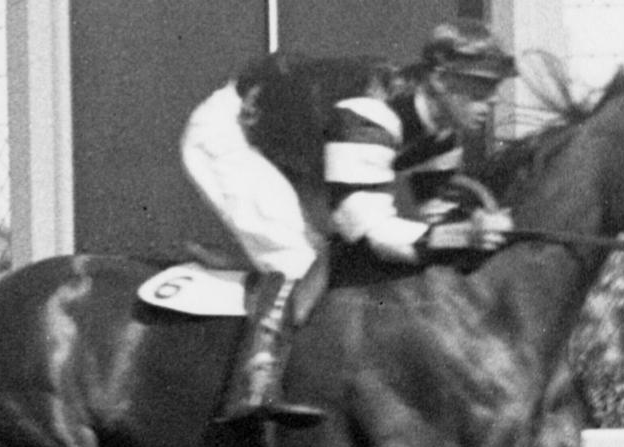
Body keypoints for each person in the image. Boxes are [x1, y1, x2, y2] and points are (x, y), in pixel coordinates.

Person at [181, 19, 517, 425]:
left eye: (493, 89)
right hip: (232, 133)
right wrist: (464, 234)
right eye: (480, 88)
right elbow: (371, 231)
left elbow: (438, 220)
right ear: (442, 80)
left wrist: (476, 231)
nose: (491, 102)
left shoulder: (441, 139)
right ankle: (254, 383)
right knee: (296, 256)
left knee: (332, 253)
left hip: (300, 151)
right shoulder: (372, 112)